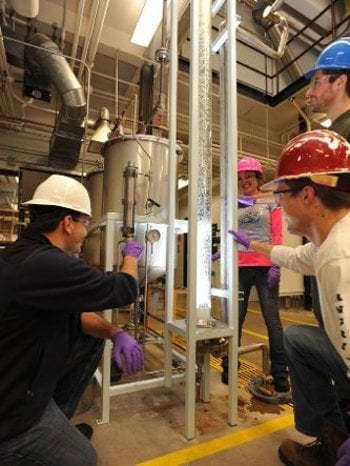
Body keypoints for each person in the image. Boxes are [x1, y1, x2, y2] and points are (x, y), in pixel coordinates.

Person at [0, 174, 145, 466]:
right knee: (84, 459)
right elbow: (124, 289)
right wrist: (130, 257)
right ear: (68, 223)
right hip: (10, 411)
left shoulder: (25, 253)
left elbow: (75, 313)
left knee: (93, 339)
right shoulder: (46, 263)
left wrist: (115, 331)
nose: (85, 233)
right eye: (85, 224)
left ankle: (57, 424)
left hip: (21, 374)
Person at [229, 129, 350, 466]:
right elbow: (296, 258)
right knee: (298, 338)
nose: (277, 203)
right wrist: (251, 244)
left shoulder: (340, 257)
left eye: (281, 194)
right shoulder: (329, 241)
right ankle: (333, 434)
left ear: (308, 195)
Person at [220, 156, 289, 394]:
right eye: (241, 177)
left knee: (272, 321)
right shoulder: (237, 203)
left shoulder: (271, 200)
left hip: (264, 266)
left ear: (258, 177)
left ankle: (280, 374)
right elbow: (232, 233)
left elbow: (277, 233)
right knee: (235, 320)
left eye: (248, 175)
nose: (244, 180)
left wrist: (276, 263)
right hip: (239, 268)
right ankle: (230, 366)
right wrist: (221, 252)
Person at [305, 36, 350, 327]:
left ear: (340, 81)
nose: (309, 92)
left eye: (316, 81)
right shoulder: (334, 135)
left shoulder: (343, 135)